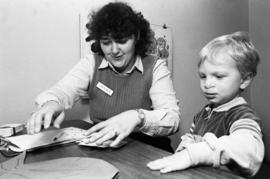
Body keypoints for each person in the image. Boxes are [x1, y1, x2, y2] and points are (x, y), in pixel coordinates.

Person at [26, 2, 180, 152]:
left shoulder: (156, 67)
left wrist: (138, 117)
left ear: (136, 36)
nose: (114, 50)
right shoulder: (91, 62)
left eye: (122, 41)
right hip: (104, 146)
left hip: (147, 149)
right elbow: (63, 90)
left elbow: (172, 119)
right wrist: (51, 103)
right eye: (106, 43)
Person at [147, 31, 265, 177]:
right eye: (203, 76)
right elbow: (189, 140)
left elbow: (249, 151)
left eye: (219, 76)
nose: (207, 84)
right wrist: (181, 153)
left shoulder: (243, 116)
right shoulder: (203, 113)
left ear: (245, 80)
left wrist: (193, 155)